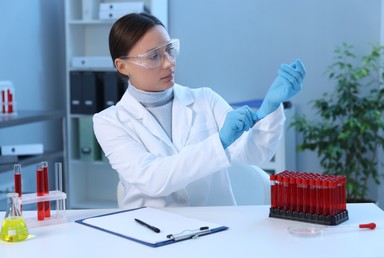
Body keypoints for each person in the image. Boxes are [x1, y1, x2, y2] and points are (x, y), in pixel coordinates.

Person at [93, 13, 306, 209]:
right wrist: (219, 142)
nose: (169, 63)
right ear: (122, 66)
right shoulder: (109, 122)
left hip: (217, 230)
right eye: (154, 56)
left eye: (169, 49)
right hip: (151, 231)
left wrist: (270, 107)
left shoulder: (205, 99)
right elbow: (152, 179)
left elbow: (253, 154)